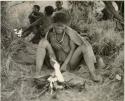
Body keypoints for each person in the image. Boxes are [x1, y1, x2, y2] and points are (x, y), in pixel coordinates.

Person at [36, 12, 101, 82]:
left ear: (66, 26)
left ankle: (93, 74)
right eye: (58, 25)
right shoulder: (50, 33)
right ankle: (37, 73)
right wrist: (51, 51)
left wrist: (65, 64)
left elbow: (73, 49)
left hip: (69, 63)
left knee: (85, 46)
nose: (59, 28)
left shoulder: (70, 34)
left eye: (62, 26)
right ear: (53, 24)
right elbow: (47, 49)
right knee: (42, 42)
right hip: (55, 62)